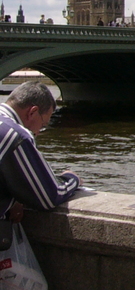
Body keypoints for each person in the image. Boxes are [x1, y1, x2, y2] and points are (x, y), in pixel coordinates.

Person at [0, 82, 81, 222]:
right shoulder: (16, 135)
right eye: (43, 124)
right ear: (32, 112)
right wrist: (72, 179)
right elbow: (48, 197)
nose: (38, 133)